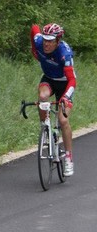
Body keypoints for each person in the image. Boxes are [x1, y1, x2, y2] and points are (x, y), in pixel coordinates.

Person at [30, 23, 76, 177]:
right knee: (43, 97)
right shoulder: (39, 42)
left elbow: (72, 81)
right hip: (49, 79)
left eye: (50, 41)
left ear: (58, 41)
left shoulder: (65, 53)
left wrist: (65, 97)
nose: (46, 44)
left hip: (65, 83)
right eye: (45, 40)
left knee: (63, 120)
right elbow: (34, 29)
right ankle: (45, 127)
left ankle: (69, 158)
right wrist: (34, 50)